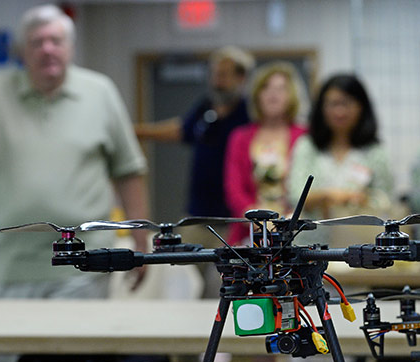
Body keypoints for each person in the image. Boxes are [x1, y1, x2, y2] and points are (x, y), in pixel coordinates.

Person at [0, 4, 149, 299]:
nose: (47, 49)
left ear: (70, 48)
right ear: (22, 51)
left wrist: (141, 241)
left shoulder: (100, 92)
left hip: (85, 264)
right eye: (37, 42)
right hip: (10, 265)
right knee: (7, 345)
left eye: (56, 41)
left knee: (77, 346)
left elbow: (128, 170)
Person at [135, 46, 254, 220]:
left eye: (223, 75)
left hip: (234, 218)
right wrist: (138, 132)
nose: (216, 82)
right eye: (214, 75)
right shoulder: (205, 107)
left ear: (241, 77)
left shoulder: (249, 114)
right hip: (198, 213)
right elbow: (181, 130)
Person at [287, 73, 393, 245]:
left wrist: (361, 199)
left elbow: (386, 199)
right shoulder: (307, 146)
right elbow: (295, 195)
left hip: (359, 246)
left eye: (348, 103)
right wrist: (328, 196)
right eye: (333, 104)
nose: (340, 111)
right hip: (309, 247)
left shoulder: (374, 152)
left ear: (362, 107)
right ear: (321, 108)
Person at [224, 62, 307, 245]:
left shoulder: (305, 136)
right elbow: (233, 188)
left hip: (295, 233)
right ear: (257, 95)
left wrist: (288, 222)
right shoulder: (240, 137)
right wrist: (255, 220)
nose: (273, 94)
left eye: (281, 88)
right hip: (248, 234)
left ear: (291, 96)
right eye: (266, 87)